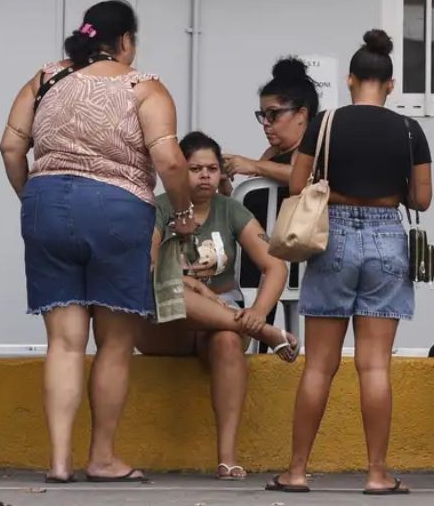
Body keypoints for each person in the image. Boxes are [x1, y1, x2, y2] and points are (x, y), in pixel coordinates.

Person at [0, 0, 196, 485]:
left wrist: (33, 196)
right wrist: (185, 213)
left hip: (46, 203)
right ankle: (102, 457)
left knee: (64, 343)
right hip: (116, 210)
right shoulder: (143, 87)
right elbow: (169, 160)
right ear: (126, 40)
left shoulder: (44, 79)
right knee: (113, 343)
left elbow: (9, 147)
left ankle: (60, 461)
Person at [268, 30, 431, 496]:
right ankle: (378, 474)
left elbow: (298, 186)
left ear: (351, 79)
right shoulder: (408, 129)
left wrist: (338, 193)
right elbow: (422, 198)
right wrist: (383, 195)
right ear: (391, 85)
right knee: (375, 366)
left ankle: (297, 471)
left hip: (332, 238)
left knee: (319, 365)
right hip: (387, 239)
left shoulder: (325, 123)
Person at [137, 131, 299, 481]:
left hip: (220, 321)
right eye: (196, 169)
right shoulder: (159, 208)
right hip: (167, 322)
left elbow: (276, 266)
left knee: (227, 339)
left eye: (212, 168)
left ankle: (227, 458)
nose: (206, 175)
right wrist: (194, 285)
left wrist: (256, 312)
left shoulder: (230, 210)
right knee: (171, 290)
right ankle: (264, 332)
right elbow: (149, 271)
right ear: (179, 171)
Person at [225, 57, 319, 349]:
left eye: (274, 115)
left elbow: (302, 178)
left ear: (301, 114)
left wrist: (253, 166)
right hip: (256, 259)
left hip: (293, 262)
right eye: (262, 115)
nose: (266, 124)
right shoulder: (270, 153)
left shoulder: (312, 149)